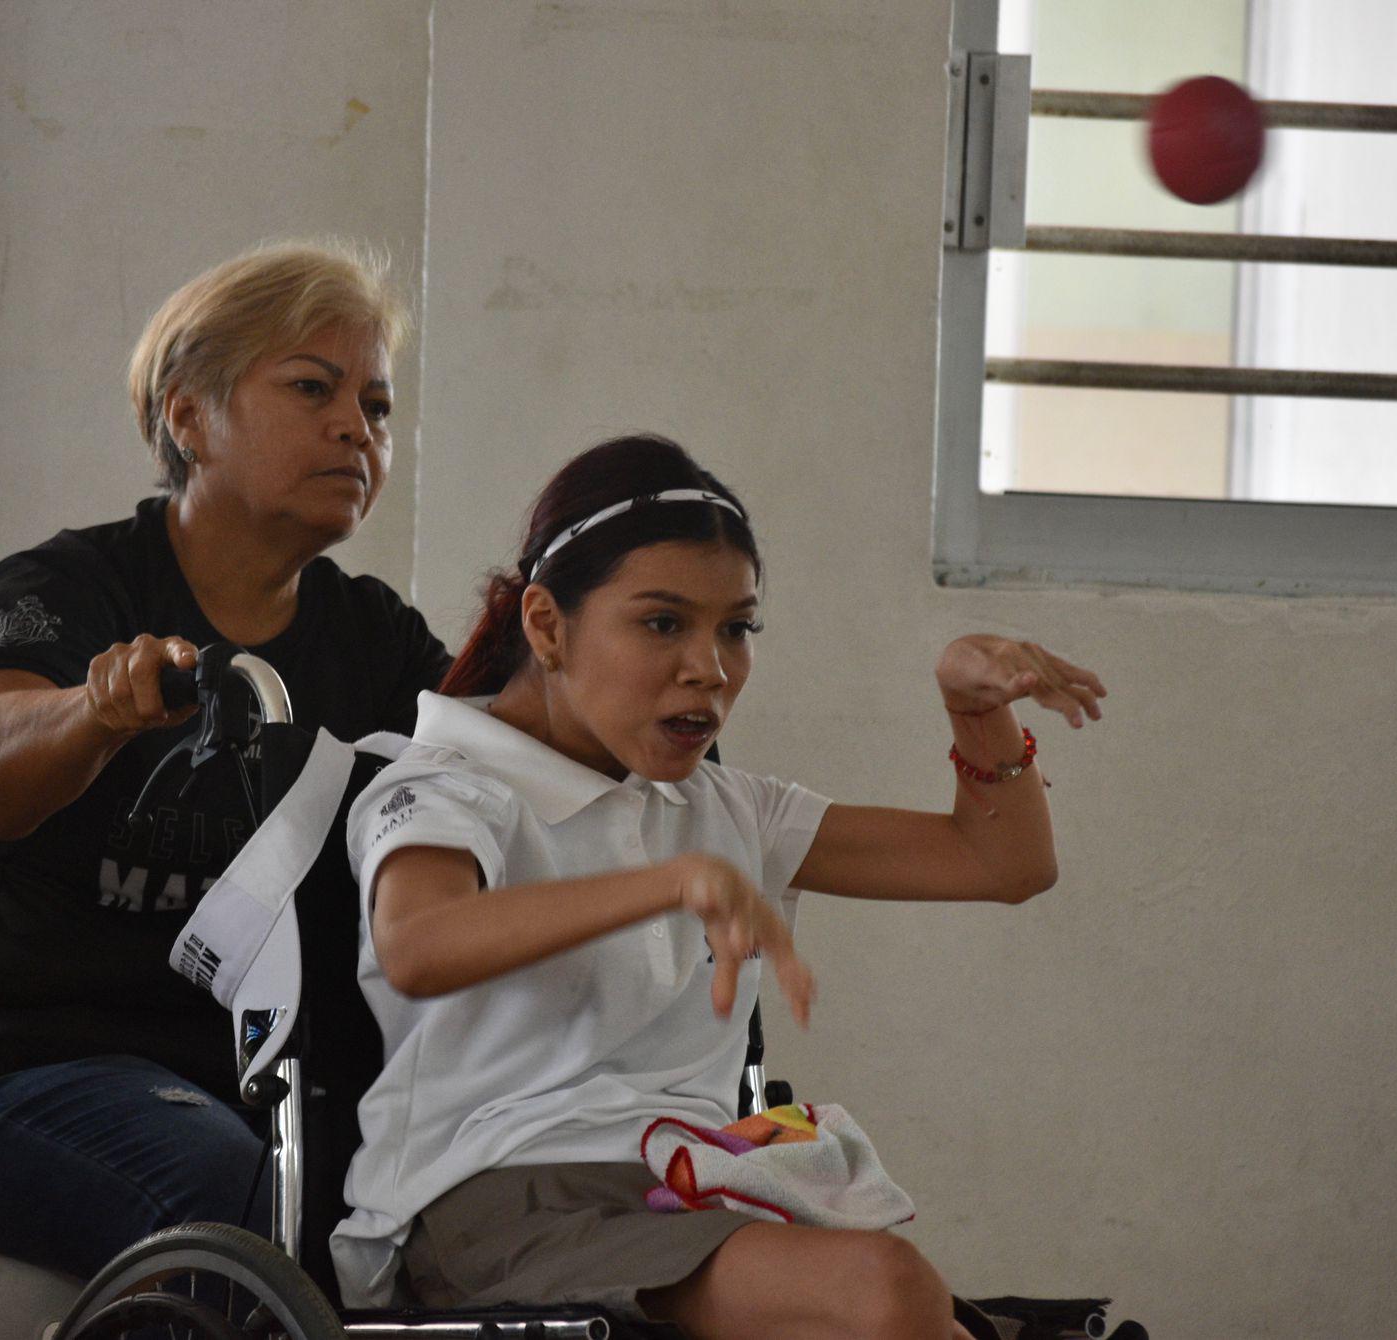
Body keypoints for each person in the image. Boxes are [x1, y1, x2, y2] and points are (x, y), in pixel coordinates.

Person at [331, 435, 1107, 1340]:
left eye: (735, 628)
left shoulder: (724, 805)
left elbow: (1002, 866)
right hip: (500, 1207)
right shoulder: (443, 785)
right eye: (664, 623)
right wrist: (666, 883)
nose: (710, 666)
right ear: (546, 627)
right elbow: (420, 945)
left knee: (916, 1308)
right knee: (884, 1294)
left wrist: (976, 716)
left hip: (691, 1192)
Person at [0, 240, 453, 1283]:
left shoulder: (375, 639)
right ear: (188, 415)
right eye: (312, 388)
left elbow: (499, 773)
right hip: (12, 1089)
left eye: (373, 405)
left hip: (265, 1100)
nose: (354, 428)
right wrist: (93, 713)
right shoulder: (68, 586)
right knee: (237, 1193)